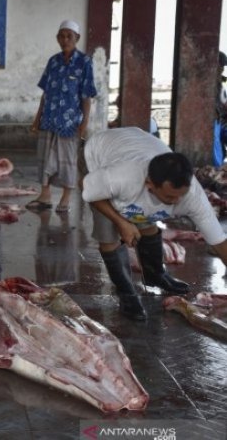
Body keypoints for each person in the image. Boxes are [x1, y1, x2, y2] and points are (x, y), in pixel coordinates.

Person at [81, 127, 227, 320]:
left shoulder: (192, 196)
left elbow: (218, 241)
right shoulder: (121, 177)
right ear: (149, 184)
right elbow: (90, 194)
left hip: (138, 147)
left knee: (147, 217)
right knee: (108, 235)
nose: (176, 202)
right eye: (170, 196)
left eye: (180, 196)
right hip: (99, 154)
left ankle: (155, 275)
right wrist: (121, 222)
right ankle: (126, 293)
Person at [28, 20, 97, 213]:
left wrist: (84, 123)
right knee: (44, 157)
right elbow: (45, 93)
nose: (65, 40)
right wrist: (37, 118)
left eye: (69, 36)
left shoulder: (84, 62)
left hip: (70, 122)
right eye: (62, 36)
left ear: (77, 38)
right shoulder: (53, 61)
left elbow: (87, 96)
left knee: (67, 160)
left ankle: (66, 198)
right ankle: (45, 195)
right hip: (49, 118)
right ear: (57, 38)